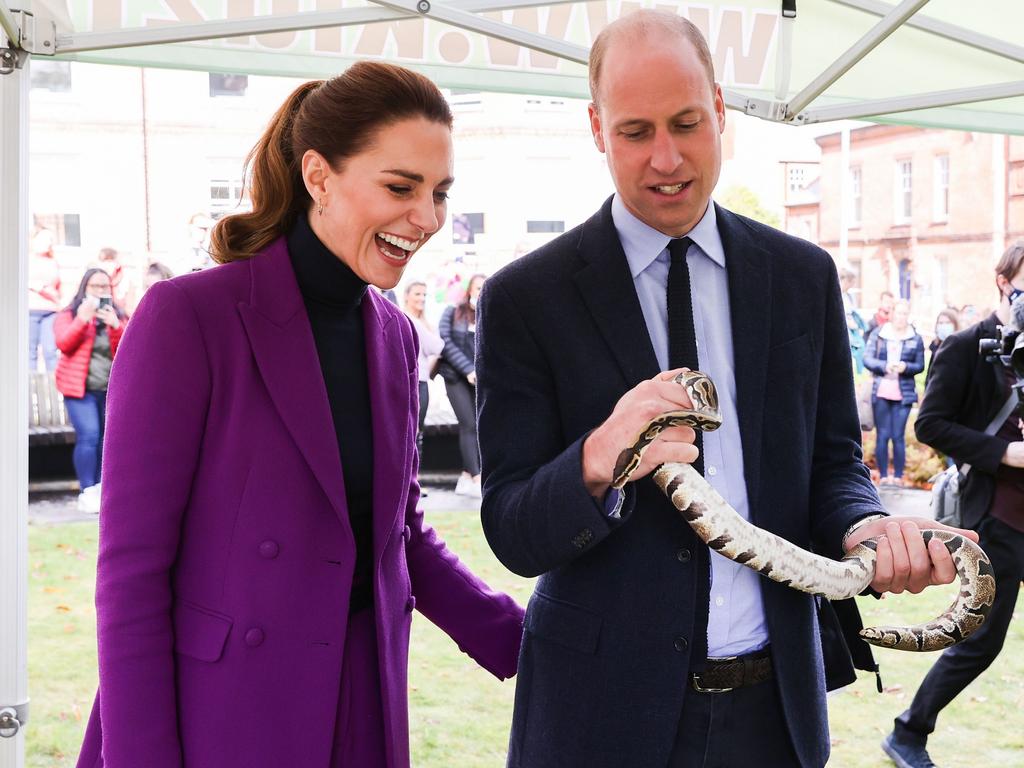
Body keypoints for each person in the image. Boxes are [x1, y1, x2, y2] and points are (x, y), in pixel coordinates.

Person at [474, 11, 974, 768]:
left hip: (774, 714)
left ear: (720, 110)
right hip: (597, 718)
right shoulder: (526, 297)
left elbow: (833, 463)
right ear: (596, 128)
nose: (666, 157)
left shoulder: (802, 277)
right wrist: (600, 457)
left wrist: (866, 528)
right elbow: (512, 530)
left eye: (686, 123)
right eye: (636, 131)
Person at [75, 62, 524, 768]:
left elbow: (395, 534)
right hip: (217, 716)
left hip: (361, 708)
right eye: (400, 188)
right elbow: (130, 576)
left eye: (439, 194)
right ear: (319, 176)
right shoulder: (190, 318)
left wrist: (524, 637)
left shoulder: (396, 336)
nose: (428, 218)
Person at [882, 243, 1024, 768]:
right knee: (981, 643)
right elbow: (930, 424)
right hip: (995, 517)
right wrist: (1005, 452)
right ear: (1003, 281)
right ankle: (908, 732)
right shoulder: (969, 345)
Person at [54, 268, 126, 513]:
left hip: (110, 390)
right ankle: (87, 489)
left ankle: (102, 488)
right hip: (79, 389)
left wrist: (116, 326)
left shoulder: (118, 315)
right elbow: (64, 343)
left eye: (105, 287)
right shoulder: (69, 314)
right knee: (90, 436)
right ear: (84, 287)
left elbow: (129, 352)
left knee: (108, 439)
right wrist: (82, 319)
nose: (100, 291)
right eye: (95, 286)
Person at [863, 299, 925, 486]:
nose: (901, 317)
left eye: (905, 314)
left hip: (904, 393)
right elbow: (868, 359)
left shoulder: (915, 337)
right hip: (881, 391)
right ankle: (883, 476)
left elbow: (920, 365)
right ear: (892, 315)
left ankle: (897, 476)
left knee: (897, 435)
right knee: (882, 435)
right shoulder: (879, 334)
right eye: (898, 313)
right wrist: (885, 366)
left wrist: (905, 367)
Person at [438, 273, 485, 498]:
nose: (480, 292)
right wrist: (467, 369)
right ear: (469, 291)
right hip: (456, 377)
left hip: (480, 379)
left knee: (480, 425)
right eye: (477, 288)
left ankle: (466, 477)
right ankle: (476, 479)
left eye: (484, 288)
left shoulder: (488, 314)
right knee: (468, 424)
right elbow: (445, 342)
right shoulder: (452, 312)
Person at [402, 280, 444, 461]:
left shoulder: (422, 322)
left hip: (422, 379)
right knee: (412, 430)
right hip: (412, 381)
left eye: (424, 294)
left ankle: (415, 477)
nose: (422, 298)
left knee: (417, 429)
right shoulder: (409, 319)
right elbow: (438, 346)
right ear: (406, 296)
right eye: (417, 294)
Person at [28, 227, 61, 372]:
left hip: (50, 311)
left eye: (50, 240)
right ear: (35, 240)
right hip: (30, 311)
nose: (48, 243)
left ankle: (54, 390)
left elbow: (59, 288)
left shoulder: (53, 262)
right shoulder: (26, 260)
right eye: (45, 238)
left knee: (50, 351)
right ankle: (30, 389)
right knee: (30, 352)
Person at [94, 247, 138, 314]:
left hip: (119, 321)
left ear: (116, 263)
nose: (106, 265)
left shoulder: (126, 283)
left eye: (109, 261)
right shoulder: (92, 281)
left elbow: (130, 311)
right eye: (103, 261)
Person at [840, 267, 867, 373]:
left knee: (860, 348)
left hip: (852, 328)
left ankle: (859, 373)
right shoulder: (837, 294)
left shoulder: (849, 296)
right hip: (844, 328)